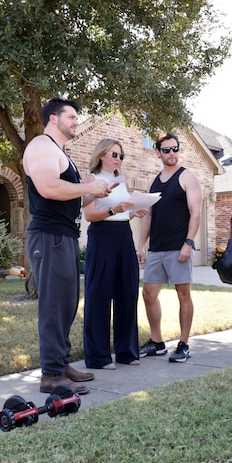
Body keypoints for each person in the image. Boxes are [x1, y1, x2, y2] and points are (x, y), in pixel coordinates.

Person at [23, 97, 111, 394]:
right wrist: (89, 186)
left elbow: (68, 194)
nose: (76, 121)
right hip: (49, 237)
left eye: (76, 117)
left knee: (67, 304)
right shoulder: (41, 146)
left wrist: (101, 194)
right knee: (54, 306)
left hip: (65, 237)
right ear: (53, 119)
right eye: (71, 116)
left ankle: (60, 365)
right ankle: (51, 375)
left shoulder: (60, 152)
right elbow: (48, 188)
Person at [82, 138, 148, 370]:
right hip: (102, 237)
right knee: (99, 295)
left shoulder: (121, 181)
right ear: (101, 155)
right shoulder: (92, 180)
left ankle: (127, 351)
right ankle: (98, 357)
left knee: (127, 292)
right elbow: (90, 214)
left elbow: (119, 212)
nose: (118, 159)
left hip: (123, 235)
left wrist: (132, 213)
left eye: (121, 155)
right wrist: (114, 209)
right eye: (114, 154)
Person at [136, 133, 203, 363]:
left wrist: (189, 242)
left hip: (178, 248)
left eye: (175, 149)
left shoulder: (188, 177)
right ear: (158, 153)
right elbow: (148, 217)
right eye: (167, 150)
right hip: (156, 249)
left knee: (183, 294)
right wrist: (141, 246)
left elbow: (196, 213)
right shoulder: (154, 182)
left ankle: (184, 344)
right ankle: (157, 342)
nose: (172, 153)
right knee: (148, 294)